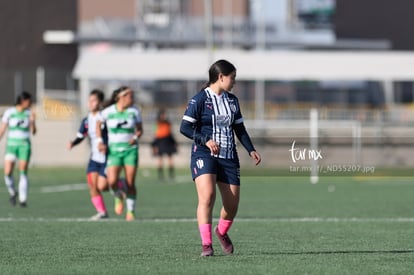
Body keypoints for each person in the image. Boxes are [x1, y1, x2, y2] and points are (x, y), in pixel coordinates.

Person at [180, 59, 261, 256]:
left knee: (232, 205)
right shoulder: (199, 100)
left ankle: (221, 232)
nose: (234, 82)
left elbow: (239, 128)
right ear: (220, 77)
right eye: (232, 78)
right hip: (204, 153)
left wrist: (250, 149)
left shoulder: (232, 101)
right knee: (207, 196)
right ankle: (206, 244)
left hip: (229, 156)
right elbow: (185, 127)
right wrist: (205, 140)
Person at [96, 86, 143, 221]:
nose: (133, 99)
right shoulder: (108, 112)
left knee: (130, 182)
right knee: (111, 181)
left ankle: (131, 211)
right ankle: (118, 195)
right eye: (130, 96)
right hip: (114, 152)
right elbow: (98, 124)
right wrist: (100, 141)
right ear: (121, 97)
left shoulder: (134, 111)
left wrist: (135, 138)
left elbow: (140, 130)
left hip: (130, 151)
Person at [67, 89, 110, 220]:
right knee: (92, 185)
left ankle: (120, 184)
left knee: (102, 186)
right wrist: (73, 143)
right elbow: (81, 135)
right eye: (89, 100)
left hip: (107, 157)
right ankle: (102, 212)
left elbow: (113, 135)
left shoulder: (105, 118)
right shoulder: (86, 120)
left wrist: (107, 146)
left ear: (100, 102)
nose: (90, 103)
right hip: (94, 158)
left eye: (94, 100)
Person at [0, 91, 36, 207]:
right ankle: (12, 192)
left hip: (24, 145)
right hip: (11, 146)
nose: (30, 103)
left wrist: (33, 122)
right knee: (7, 172)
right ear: (23, 101)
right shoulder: (9, 113)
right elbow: (2, 129)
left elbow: (34, 132)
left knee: (23, 171)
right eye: (29, 101)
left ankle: (22, 199)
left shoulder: (29, 113)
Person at [151, 109, 177, 181]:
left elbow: (170, 133)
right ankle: (161, 175)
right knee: (160, 159)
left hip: (168, 140)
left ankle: (171, 174)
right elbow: (155, 134)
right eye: (163, 115)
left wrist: (174, 142)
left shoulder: (168, 123)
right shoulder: (157, 123)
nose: (164, 116)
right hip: (160, 141)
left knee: (170, 158)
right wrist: (154, 145)